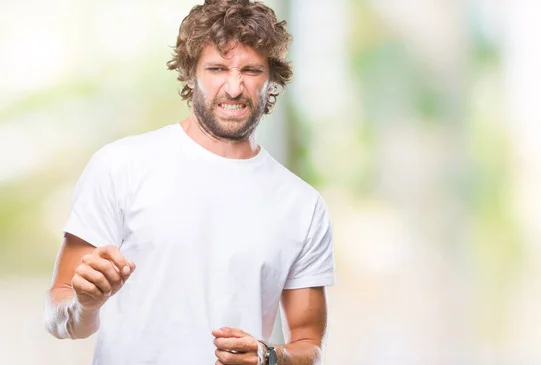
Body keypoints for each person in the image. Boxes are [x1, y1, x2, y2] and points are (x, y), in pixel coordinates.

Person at [43, 1, 336, 364]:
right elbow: (60, 316)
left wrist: (269, 357)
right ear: (190, 73)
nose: (233, 87)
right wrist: (85, 305)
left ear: (271, 77)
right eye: (216, 68)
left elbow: (310, 344)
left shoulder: (301, 204)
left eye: (251, 70)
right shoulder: (120, 166)